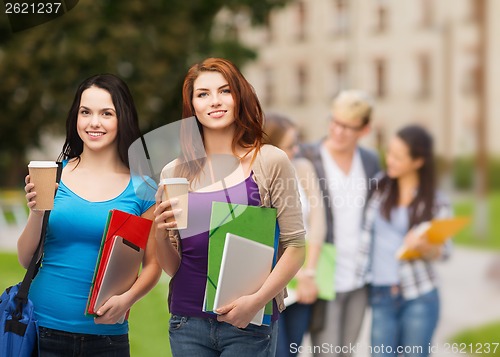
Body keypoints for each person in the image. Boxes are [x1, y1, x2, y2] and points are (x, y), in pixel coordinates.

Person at [154, 58, 306, 357]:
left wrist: (257, 301)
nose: (215, 101)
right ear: (192, 106)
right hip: (187, 323)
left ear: (239, 97)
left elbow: (296, 246)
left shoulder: (270, 161)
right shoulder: (174, 173)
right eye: (203, 94)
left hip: (249, 324)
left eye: (224, 91)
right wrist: (159, 234)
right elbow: (174, 268)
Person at [18, 74, 161, 356]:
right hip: (41, 329)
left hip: (106, 338)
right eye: (86, 112)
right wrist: (36, 213)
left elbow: (154, 265)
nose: (94, 122)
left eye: (106, 113)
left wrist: (128, 299)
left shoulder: (143, 188)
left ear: (123, 118)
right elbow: (26, 259)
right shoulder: (53, 174)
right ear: (76, 118)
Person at [355, 125, 451, 357]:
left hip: (420, 294)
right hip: (382, 294)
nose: (390, 160)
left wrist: (423, 247)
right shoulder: (379, 187)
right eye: (389, 153)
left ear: (418, 162)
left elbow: (445, 252)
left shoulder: (435, 201)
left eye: (398, 157)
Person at [301, 90, 380, 357]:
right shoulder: (307, 157)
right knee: (326, 351)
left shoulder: (370, 162)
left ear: (365, 129)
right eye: (334, 122)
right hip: (324, 272)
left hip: (359, 275)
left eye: (348, 127)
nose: (338, 130)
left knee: (348, 351)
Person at [263, 112, 326, 357]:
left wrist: (309, 272)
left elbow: (318, 222)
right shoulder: (257, 178)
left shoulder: (302, 168)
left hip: (303, 281)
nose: (296, 150)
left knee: (293, 351)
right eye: (290, 146)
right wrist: (298, 273)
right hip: (272, 284)